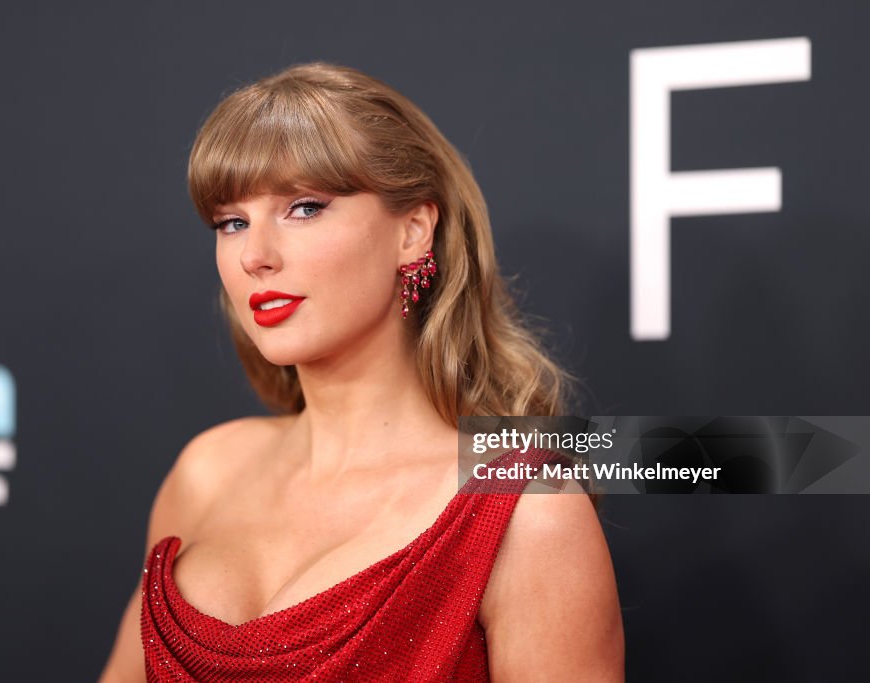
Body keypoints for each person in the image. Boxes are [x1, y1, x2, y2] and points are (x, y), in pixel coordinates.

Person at [99, 62, 623, 682]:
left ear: (413, 231)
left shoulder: (527, 510)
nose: (254, 255)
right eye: (231, 222)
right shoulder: (206, 472)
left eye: (304, 208)